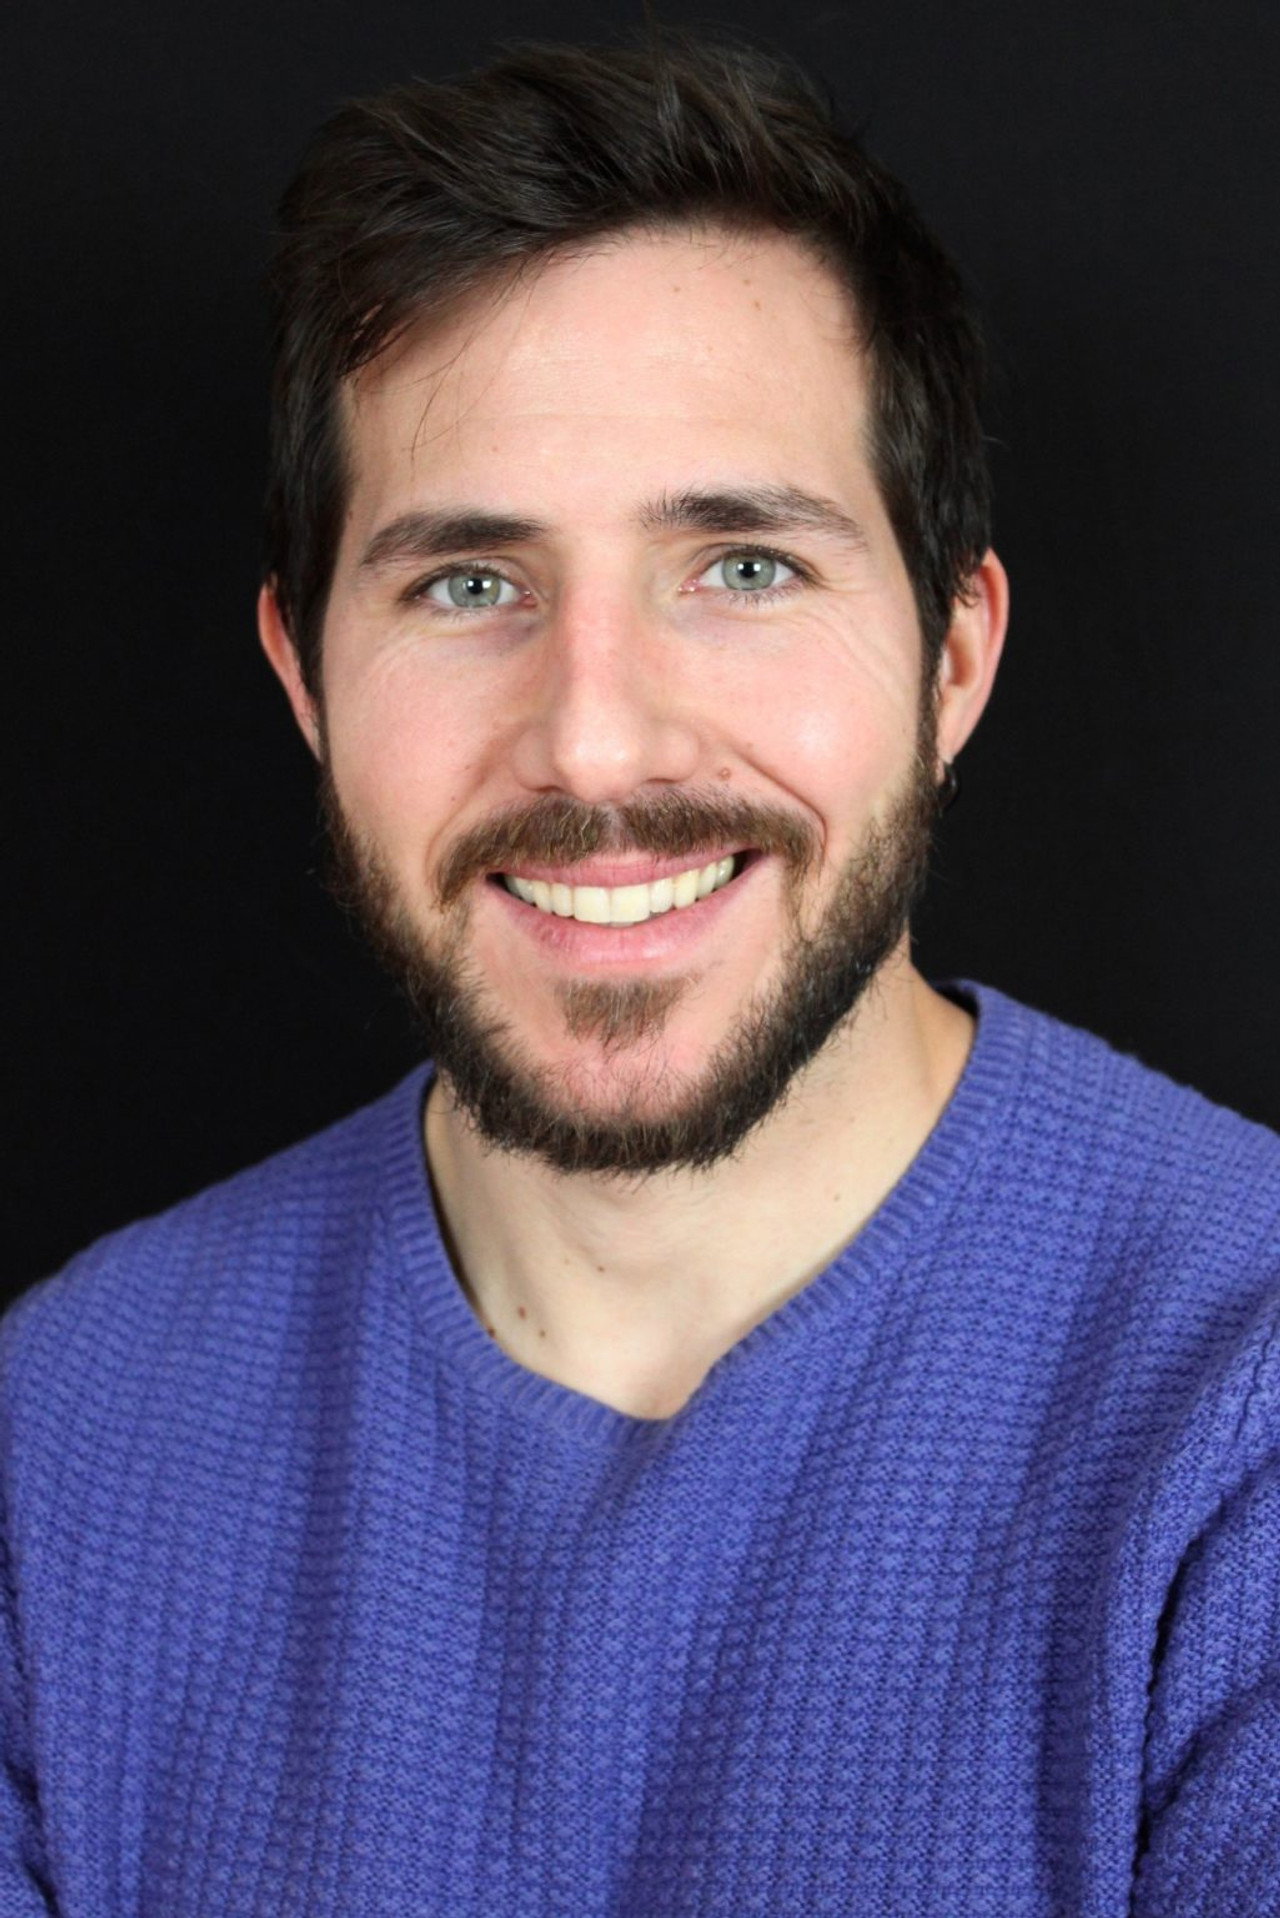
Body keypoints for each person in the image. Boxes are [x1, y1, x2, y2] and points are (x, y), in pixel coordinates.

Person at [4, 34, 1279, 1916]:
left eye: (743, 567)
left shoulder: (1241, 1411)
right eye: (467, 586)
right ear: (306, 682)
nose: (594, 743)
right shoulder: (56, 1444)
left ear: (952, 662)